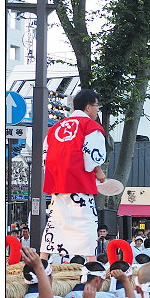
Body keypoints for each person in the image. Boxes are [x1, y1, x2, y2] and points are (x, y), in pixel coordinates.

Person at [41, 89, 107, 262]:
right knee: (87, 222)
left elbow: (45, 157)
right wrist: (99, 172)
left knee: (55, 221)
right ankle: (92, 263)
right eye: (96, 106)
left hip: (57, 184)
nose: (97, 110)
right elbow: (92, 156)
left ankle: (43, 260)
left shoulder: (54, 128)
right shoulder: (90, 126)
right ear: (87, 107)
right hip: (79, 183)